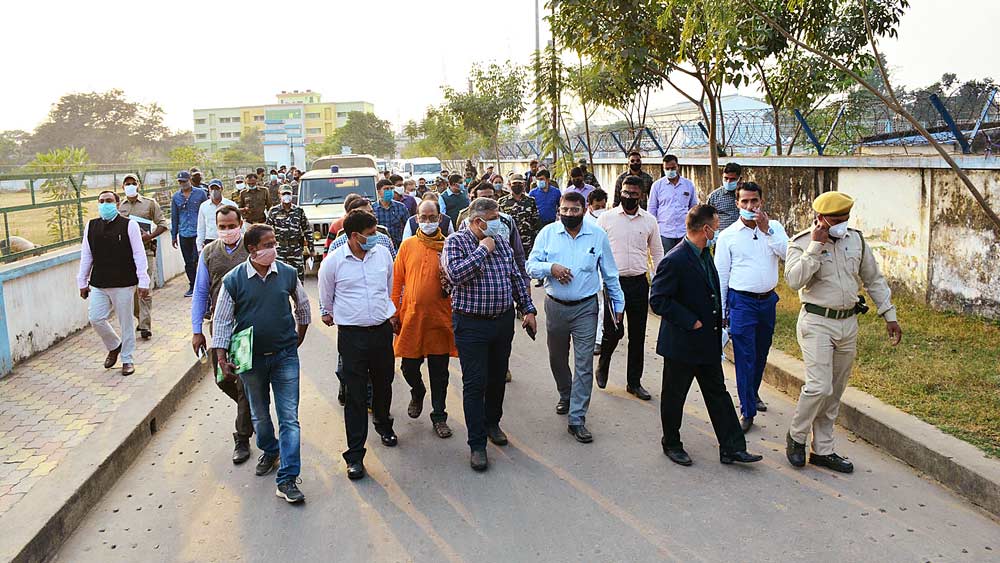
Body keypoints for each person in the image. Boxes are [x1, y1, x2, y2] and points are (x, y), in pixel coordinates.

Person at [784, 191, 902, 474]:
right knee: (819, 386)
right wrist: (815, 247)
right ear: (820, 219)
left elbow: (873, 279)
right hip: (817, 322)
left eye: (846, 218)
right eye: (837, 220)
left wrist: (890, 315)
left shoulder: (856, 239)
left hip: (847, 323)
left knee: (834, 391)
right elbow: (793, 281)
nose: (842, 224)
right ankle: (796, 436)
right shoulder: (801, 242)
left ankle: (823, 450)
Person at [649, 204, 762, 467]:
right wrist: (692, 321)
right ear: (706, 229)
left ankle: (732, 447)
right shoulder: (674, 260)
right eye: (716, 225)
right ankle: (672, 443)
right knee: (674, 396)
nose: (718, 230)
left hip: (707, 343)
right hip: (682, 343)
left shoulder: (704, 253)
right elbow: (658, 300)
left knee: (718, 394)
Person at [213, 224, 311, 504]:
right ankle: (270, 449)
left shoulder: (288, 274)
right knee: (259, 414)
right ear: (253, 249)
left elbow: (303, 308)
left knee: (289, 418)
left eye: (275, 242)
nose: (274, 247)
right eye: (267, 244)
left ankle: (288, 478)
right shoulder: (233, 281)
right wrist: (222, 357)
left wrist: (296, 339)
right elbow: (221, 321)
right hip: (249, 358)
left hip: (284, 356)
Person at [443, 197, 537, 471]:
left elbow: (516, 277)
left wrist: (528, 309)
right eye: (493, 219)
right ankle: (477, 444)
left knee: (497, 378)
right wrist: (483, 250)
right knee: (475, 382)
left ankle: (492, 422)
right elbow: (455, 275)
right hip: (471, 325)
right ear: (477, 221)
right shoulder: (456, 243)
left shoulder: (503, 243)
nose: (498, 224)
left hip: (501, 322)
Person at [526, 191, 623, 443]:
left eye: (575, 210)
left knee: (583, 363)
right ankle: (565, 394)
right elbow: (530, 265)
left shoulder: (597, 236)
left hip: (585, 308)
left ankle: (577, 417)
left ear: (584, 209)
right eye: (565, 210)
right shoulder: (547, 234)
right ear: (559, 210)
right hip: (555, 306)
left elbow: (610, 274)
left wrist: (619, 304)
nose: (570, 214)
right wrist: (551, 268)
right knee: (557, 357)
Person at [319, 210, 398, 481]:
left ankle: (383, 423)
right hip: (352, 336)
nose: (375, 237)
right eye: (371, 233)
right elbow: (326, 296)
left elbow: (389, 287)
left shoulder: (383, 255)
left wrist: (384, 312)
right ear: (355, 236)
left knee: (384, 382)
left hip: (381, 332)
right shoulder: (334, 262)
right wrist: (329, 313)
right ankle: (355, 454)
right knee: (354, 394)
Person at [712, 181, 787, 432]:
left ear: (761, 202)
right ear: (737, 204)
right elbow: (721, 275)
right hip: (740, 302)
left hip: (767, 301)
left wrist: (768, 231)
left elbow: (789, 255)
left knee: (761, 352)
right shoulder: (727, 236)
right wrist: (722, 311)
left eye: (754, 201)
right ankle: (747, 409)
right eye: (744, 202)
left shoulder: (774, 227)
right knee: (744, 356)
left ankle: (752, 393)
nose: (749, 206)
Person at [191, 205, 254, 465]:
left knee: (244, 383)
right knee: (223, 379)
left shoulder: (251, 248)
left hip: (247, 326)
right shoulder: (208, 253)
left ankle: (242, 437)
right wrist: (196, 330)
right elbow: (200, 292)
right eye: (222, 227)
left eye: (232, 225)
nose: (227, 231)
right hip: (219, 326)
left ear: (241, 223)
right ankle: (254, 408)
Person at [391, 200, 458, 439]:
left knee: (440, 372)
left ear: (440, 219)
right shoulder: (407, 245)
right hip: (411, 317)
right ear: (416, 218)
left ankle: (439, 416)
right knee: (408, 367)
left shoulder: (451, 245)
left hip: (441, 319)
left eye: (432, 217)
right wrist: (393, 312)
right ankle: (417, 391)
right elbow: (397, 280)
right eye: (423, 217)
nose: (427, 221)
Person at [595, 179, 664, 399]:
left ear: (641, 196)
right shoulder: (606, 219)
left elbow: (658, 253)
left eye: (634, 193)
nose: (630, 197)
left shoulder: (649, 221)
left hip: (638, 283)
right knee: (613, 331)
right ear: (620, 193)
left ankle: (634, 382)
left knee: (638, 334)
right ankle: (603, 365)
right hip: (614, 284)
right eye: (626, 192)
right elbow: (594, 250)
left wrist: (659, 282)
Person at [78, 190, 150, 377]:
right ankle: (114, 345)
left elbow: (139, 255)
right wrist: (82, 281)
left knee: (125, 322)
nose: (105, 204)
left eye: (109, 201)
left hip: (124, 282)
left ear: (117, 204)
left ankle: (127, 359)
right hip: (99, 282)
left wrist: (143, 281)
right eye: (101, 201)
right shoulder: (91, 226)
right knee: (96, 318)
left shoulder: (129, 225)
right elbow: (86, 255)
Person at [118, 173, 168, 340]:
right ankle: (140, 317)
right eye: (127, 184)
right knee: (131, 290)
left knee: (145, 288)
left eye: (133, 183)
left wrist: (150, 236)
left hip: (146, 251)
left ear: (138, 185)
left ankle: (146, 326)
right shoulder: (119, 207)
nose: (130, 186)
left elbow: (162, 224)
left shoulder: (150, 204)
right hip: (126, 254)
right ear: (122, 187)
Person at [648, 154, 698, 252]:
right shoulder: (657, 186)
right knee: (666, 261)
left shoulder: (688, 185)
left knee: (684, 261)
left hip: (684, 231)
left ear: (678, 166)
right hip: (664, 232)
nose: (670, 171)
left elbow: (693, 208)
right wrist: (653, 230)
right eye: (667, 168)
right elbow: (652, 209)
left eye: (673, 168)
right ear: (663, 169)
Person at [171, 171, 209, 297]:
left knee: (197, 259)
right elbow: (174, 217)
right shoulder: (176, 197)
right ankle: (192, 285)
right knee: (188, 262)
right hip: (184, 233)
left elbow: (206, 212)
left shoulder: (200, 193)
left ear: (190, 180)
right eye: (180, 182)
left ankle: (202, 285)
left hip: (198, 232)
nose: (183, 184)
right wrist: (173, 235)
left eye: (185, 181)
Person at [266, 185, 312, 281]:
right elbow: (267, 231)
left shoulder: (299, 211)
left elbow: (307, 229)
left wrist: (311, 248)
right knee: (279, 277)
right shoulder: (273, 211)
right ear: (279, 195)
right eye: (284, 194)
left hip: (295, 249)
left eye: (288, 194)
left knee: (298, 277)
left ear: (292, 195)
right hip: (279, 249)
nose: (286, 196)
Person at [498, 173, 539, 254]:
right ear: (510, 184)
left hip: (527, 242)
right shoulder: (502, 202)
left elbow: (536, 222)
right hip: (510, 241)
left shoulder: (531, 201)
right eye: (514, 183)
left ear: (523, 184)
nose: (517, 185)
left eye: (519, 183)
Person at [197, 179, 238, 250]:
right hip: (211, 240)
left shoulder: (231, 204)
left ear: (221, 189)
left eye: (217, 188)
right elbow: (201, 227)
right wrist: (199, 247)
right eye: (212, 188)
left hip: (228, 239)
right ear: (209, 190)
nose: (214, 191)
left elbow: (239, 225)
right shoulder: (204, 206)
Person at [374, 179, 410, 249]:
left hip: (398, 246)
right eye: (386, 189)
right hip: (379, 246)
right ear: (379, 192)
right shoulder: (373, 209)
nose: (389, 191)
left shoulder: (401, 207)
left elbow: (408, 226)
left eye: (391, 189)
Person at [707, 162, 743, 231]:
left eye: (732, 179)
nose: (728, 181)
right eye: (726, 178)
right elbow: (708, 218)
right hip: (722, 236)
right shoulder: (714, 196)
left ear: (739, 179)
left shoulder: (747, 195)